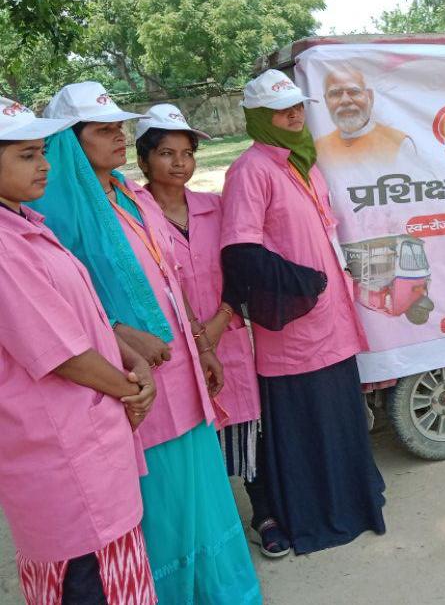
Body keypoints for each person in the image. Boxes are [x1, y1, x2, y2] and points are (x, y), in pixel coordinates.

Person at [32, 82, 262, 603]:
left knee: (201, 486)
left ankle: (220, 588)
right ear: (70, 140)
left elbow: (168, 276)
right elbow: (64, 305)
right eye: (103, 129)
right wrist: (119, 330)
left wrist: (202, 347)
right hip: (132, 378)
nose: (119, 135)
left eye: (119, 126)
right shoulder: (57, 210)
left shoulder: (130, 196)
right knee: (163, 495)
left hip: (180, 365)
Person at [220, 69, 386, 555]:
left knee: (339, 416)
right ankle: (314, 515)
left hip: (333, 317)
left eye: (297, 106)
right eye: (281, 110)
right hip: (295, 328)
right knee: (308, 424)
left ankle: (352, 502)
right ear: (258, 117)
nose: (294, 115)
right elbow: (240, 250)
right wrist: (299, 281)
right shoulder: (250, 170)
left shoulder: (304, 162)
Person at [0, 98, 157, 605]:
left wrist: (132, 361)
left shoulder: (27, 224)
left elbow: (82, 319)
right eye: (27, 155)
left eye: (42, 152)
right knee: (90, 582)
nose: (44, 165)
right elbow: (60, 353)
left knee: (117, 574)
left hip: (89, 441)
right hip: (62, 455)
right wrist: (132, 389)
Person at [134, 105, 274, 555]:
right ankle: (217, 528)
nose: (180, 163)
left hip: (226, 335)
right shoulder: (133, 218)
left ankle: (264, 513)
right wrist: (198, 336)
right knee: (196, 438)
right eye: (166, 153)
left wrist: (222, 317)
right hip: (172, 347)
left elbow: (240, 268)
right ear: (143, 160)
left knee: (247, 426)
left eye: (187, 153)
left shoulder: (216, 207)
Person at [314, 64, 415, 164]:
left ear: (370, 96)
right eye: (336, 93)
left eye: (353, 91)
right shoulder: (318, 148)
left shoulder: (399, 143)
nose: (345, 101)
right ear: (326, 100)